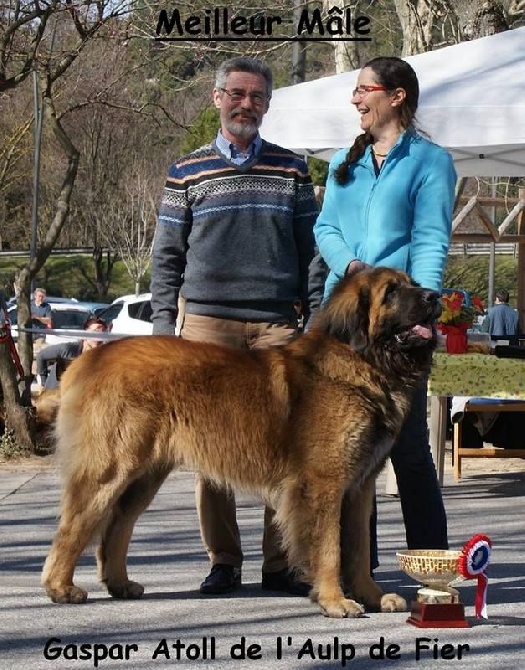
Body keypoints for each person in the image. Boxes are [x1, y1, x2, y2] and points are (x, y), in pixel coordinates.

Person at [150, 56, 325, 596]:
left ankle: (282, 565)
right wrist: (163, 329)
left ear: (268, 104)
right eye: (237, 94)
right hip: (206, 327)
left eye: (257, 96)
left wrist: (315, 321)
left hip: (278, 326)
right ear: (216, 97)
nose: (246, 104)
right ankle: (223, 560)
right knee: (210, 450)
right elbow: (166, 258)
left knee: (286, 447)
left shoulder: (293, 168)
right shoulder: (185, 171)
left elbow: (311, 253)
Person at [314, 56, 457, 569]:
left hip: (398, 325)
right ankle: (358, 569)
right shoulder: (341, 162)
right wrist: (352, 267)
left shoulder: (431, 162)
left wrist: (425, 310)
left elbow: (430, 240)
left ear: (396, 97)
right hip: (343, 319)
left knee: (409, 448)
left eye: (363, 89)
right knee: (346, 450)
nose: (356, 99)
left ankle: (432, 571)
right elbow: (324, 227)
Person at [35, 316, 108, 390]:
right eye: (95, 332)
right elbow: (41, 356)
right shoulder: (68, 350)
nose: (99, 338)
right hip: (54, 394)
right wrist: (43, 383)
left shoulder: (102, 358)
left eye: (103, 333)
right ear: (85, 334)